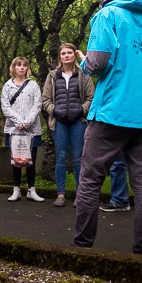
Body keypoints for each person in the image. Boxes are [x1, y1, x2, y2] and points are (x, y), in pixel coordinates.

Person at [73, 0, 142, 255]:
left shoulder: (107, 16)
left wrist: (83, 64)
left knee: (90, 179)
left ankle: (82, 248)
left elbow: (98, 62)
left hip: (111, 111)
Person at [41, 43, 94, 207]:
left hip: (79, 122)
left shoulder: (83, 75)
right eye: (63, 53)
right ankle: (61, 194)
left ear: (74, 55)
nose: (66, 56)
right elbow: (45, 100)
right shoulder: (52, 76)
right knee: (61, 158)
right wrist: (54, 110)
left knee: (79, 158)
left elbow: (91, 98)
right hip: (59, 122)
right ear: (60, 57)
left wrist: (81, 110)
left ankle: (80, 194)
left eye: (69, 53)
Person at [2, 56, 45, 202]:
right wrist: (18, 121)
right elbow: (5, 107)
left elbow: (37, 104)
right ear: (13, 68)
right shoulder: (7, 86)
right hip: (14, 129)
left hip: (31, 129)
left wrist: (26, 122)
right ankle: (16, 189)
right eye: (18, 65)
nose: (21, 67)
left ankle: (31, 190)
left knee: (30, 159)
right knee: (16, 159)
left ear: (27, 68)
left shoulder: (33, 85)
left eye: (24, 65)